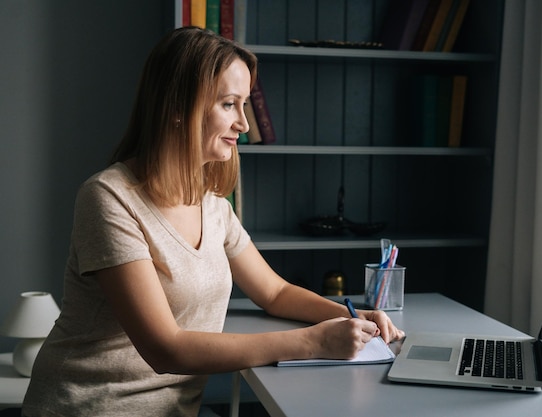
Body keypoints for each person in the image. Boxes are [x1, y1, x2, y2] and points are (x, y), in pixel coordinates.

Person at [22, 27, 404, 417]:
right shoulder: (109, 197)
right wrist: (312, 343)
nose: (244, 124)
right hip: (89, 407)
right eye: (229, 104)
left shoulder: (213, 203)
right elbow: (164, 349)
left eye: (244, 105)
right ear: (176, 107)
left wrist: (351, 316)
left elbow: (273, 292)